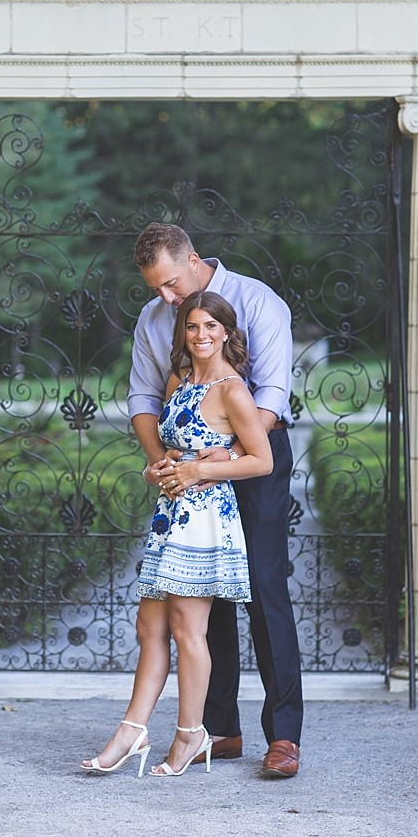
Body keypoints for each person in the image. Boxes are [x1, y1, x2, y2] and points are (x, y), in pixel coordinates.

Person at [126, 223, 303, 778]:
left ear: (195, 260)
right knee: (203, 588)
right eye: (156, 288)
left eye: (172, 284)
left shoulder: (259, 302)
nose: (165, 299)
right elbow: (143, 395)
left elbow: (272, 394)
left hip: (254, 460)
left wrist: (215, 462)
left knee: (264, 586)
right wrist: (165, 461)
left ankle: (284, 736)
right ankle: (218, 728)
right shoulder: (154, 319)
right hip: (186, 471)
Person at [82, 291, 270, 777]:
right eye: (192, 327)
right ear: (182, 333)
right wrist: (159, 471)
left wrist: (200, 474)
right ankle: (132, 730)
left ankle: (191, 734)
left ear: (226, 331)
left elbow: (261, 460)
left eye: (210, 326)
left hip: (206, 518)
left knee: (189, 631)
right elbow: (171, 451)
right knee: (151, 630)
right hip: (169, 516)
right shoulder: (179, 380)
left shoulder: (233, 391)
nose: (201, 335)